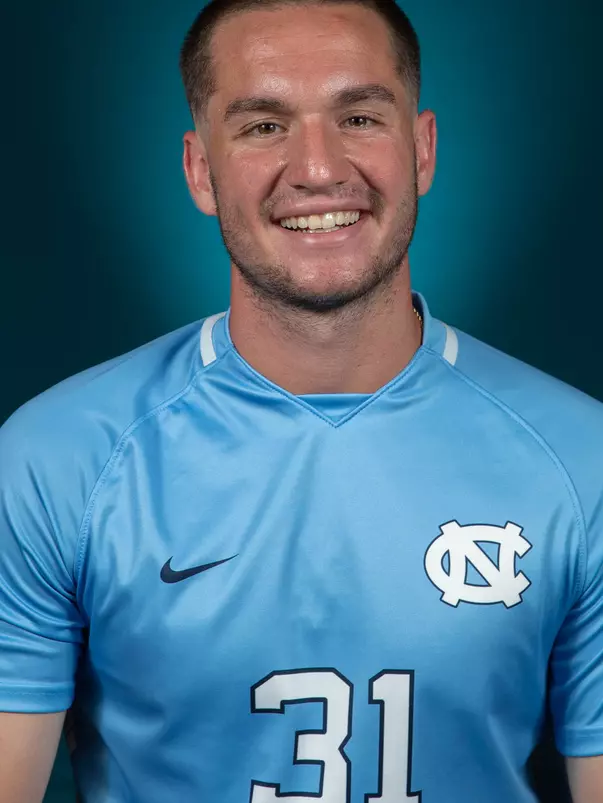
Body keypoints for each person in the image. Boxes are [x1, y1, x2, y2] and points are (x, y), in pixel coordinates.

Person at [0, 0, 602, 801]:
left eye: (357, 116)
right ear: (198, 170)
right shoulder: (55, 458)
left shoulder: (580, 462)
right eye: (262, 125)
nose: (317, 168)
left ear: (421, 149)